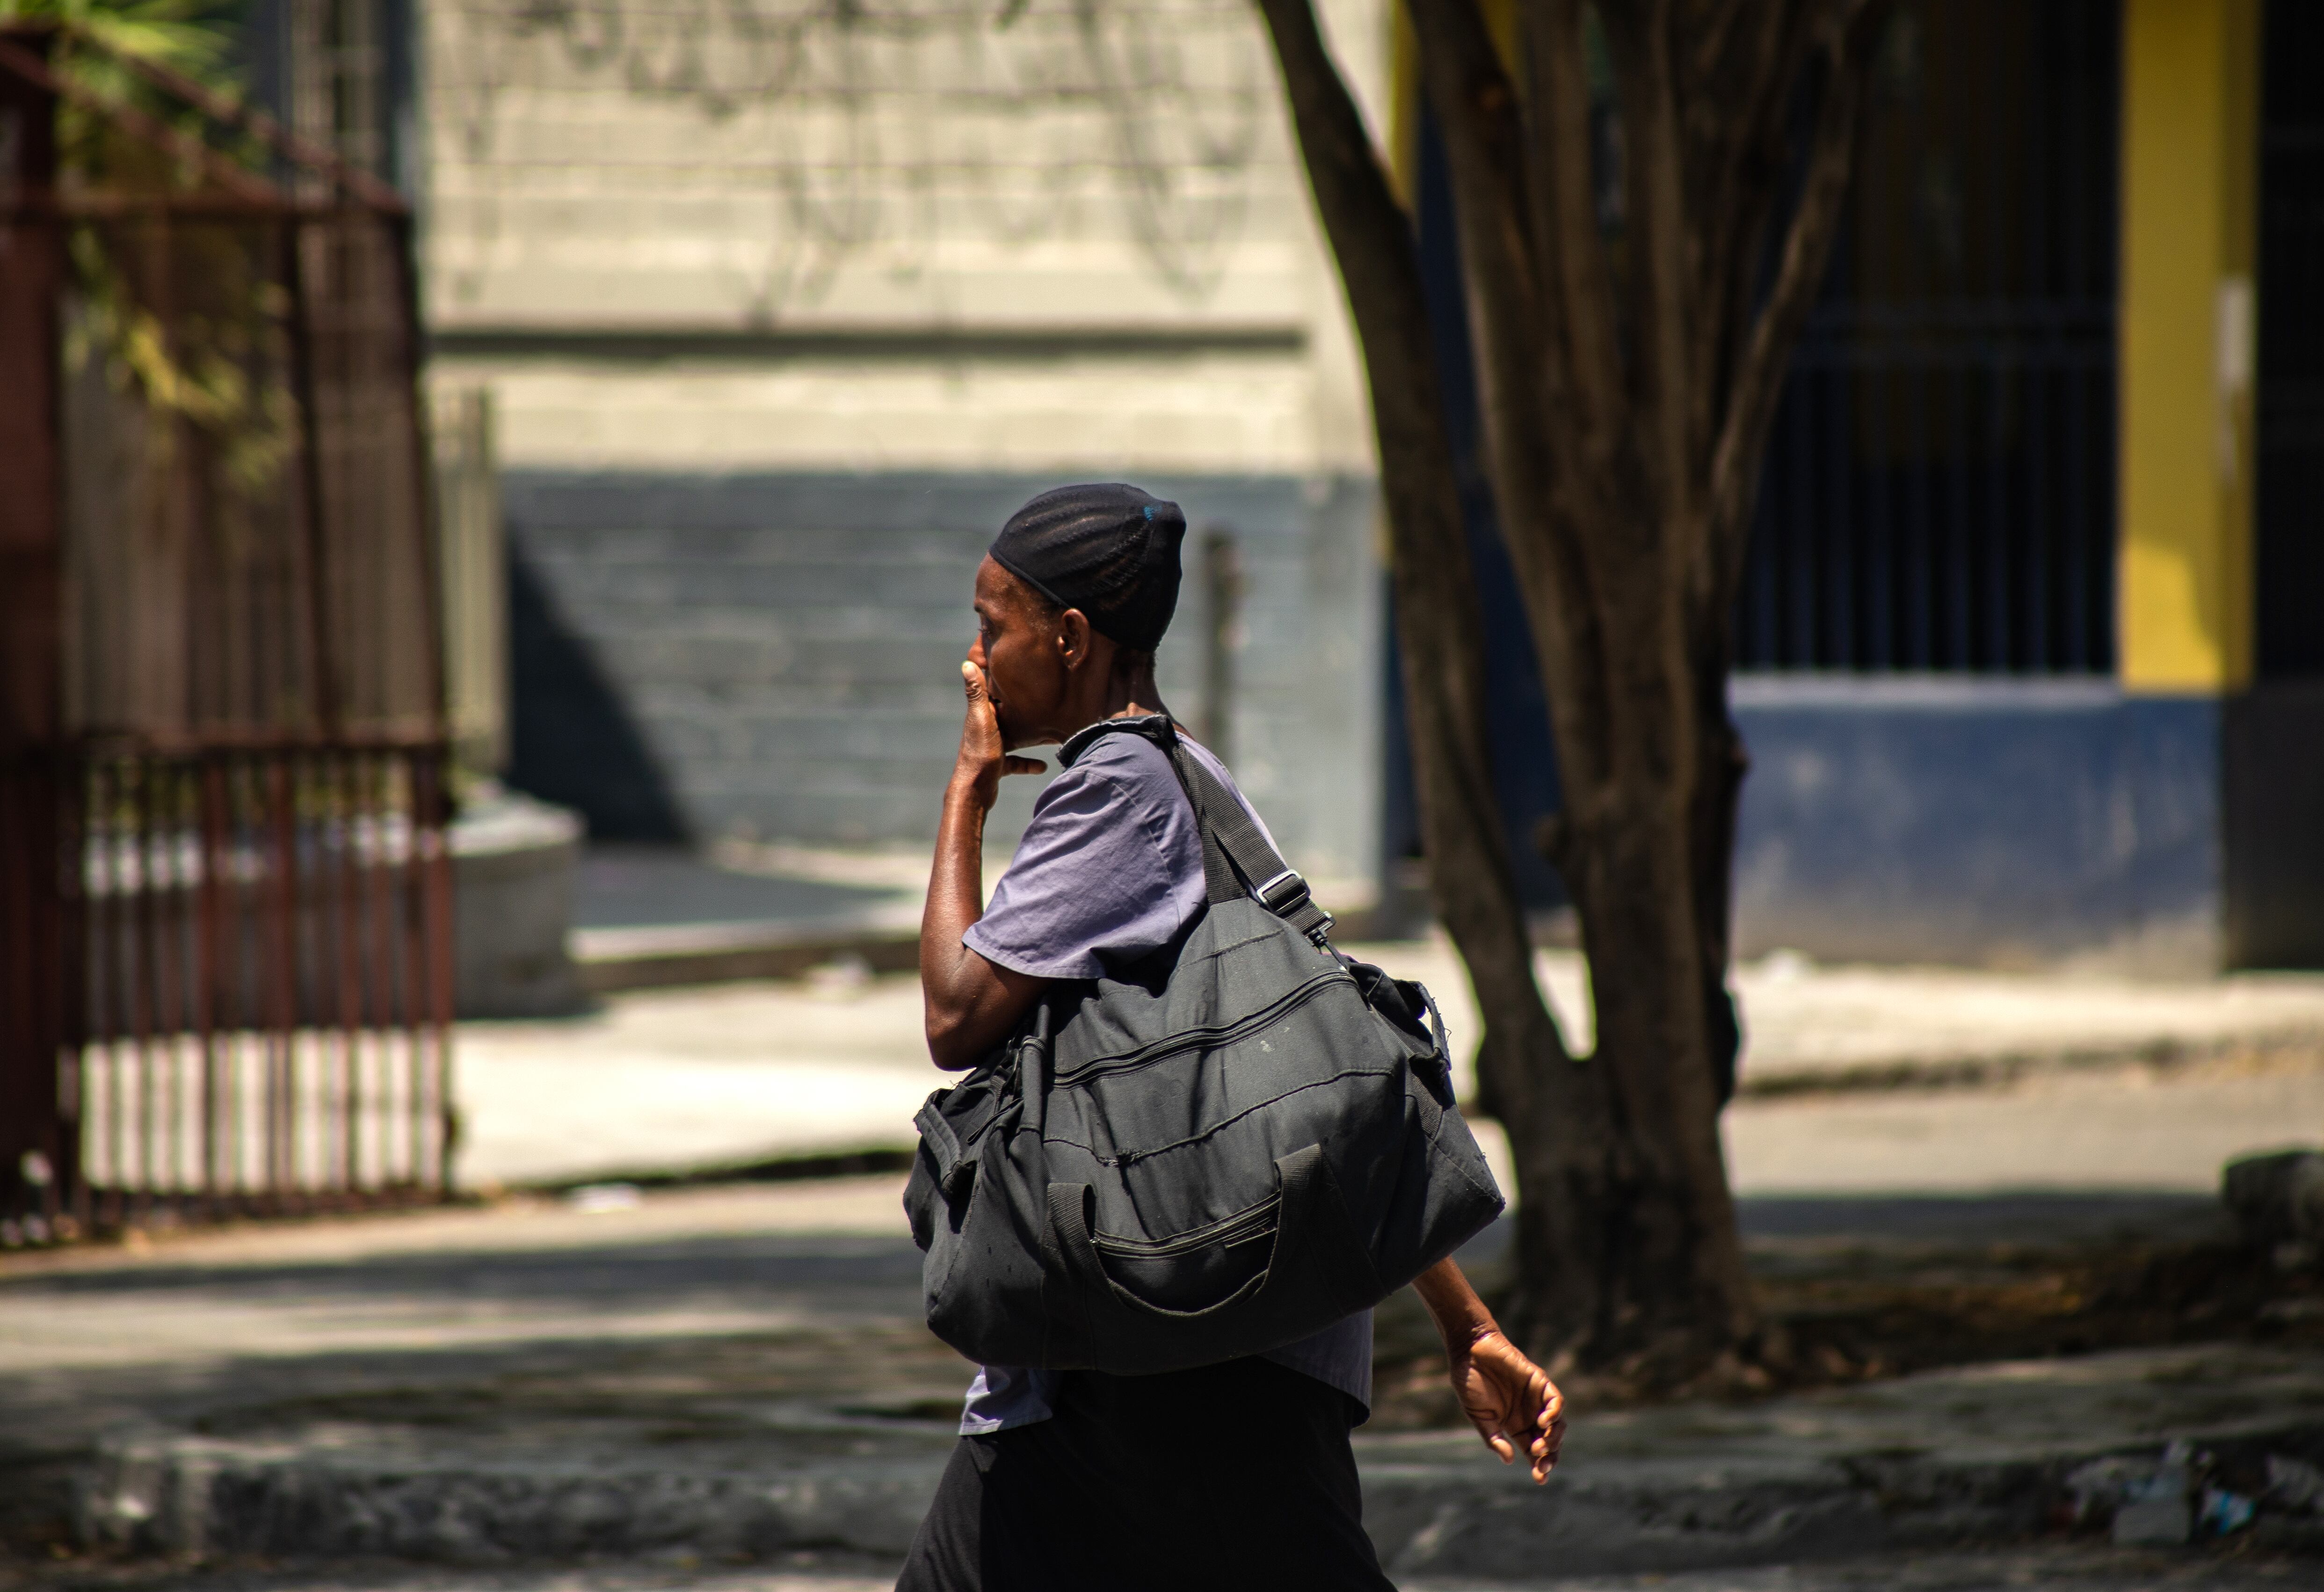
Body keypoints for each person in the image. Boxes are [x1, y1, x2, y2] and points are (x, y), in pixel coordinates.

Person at [899, 483, 1565, 1592]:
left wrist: (967, 792)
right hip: (1201, 1347)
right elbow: (1311, 1083)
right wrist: (1466, 1319)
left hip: (1173, 1362)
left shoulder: (1115, 790)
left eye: (990, 625)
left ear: (1068, 638)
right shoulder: (1190, 776)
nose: (974, 661)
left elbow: (956, 1014)